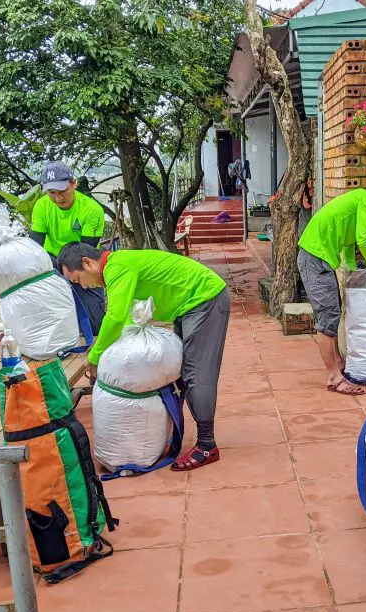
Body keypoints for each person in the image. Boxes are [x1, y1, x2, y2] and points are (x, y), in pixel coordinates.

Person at [58, 243, 230, 472]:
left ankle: (207, 445)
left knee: (196, 373)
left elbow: (116, 317)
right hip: (189, 305)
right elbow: (127, 318)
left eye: (78, 279)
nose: (83, 286)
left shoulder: (117, 267)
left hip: (205, 299)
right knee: (183, 371)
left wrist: (95, 356)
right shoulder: (117, 267)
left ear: (87, 263)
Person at [297, 188, 366, 395]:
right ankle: (334, 377)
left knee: (333, 311)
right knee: (327, 316)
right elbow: (364, 239)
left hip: (319, 257)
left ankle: (338, 364)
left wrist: (353, 273)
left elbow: (350, 244)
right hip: (315, 258)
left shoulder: (361, 204)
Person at [30, 162, 107, 336]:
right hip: (52, 260)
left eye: (62, 191)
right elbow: (35, 246)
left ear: (73, 184)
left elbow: (86, 251)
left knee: (96, 323)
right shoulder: (41, 206)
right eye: (52, 193)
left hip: (81, 261)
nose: (58, 198)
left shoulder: (92, 209)